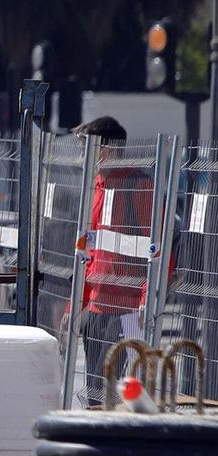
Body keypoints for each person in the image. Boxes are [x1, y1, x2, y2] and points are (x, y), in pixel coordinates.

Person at [74, 116, 154, 403]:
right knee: (95, 394)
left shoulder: (138, 186)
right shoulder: (95, 187)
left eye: (88, 147)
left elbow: (156, 250)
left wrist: (146, 300)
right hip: (96, 309)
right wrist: (77, 304)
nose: (84, 156)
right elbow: (88, 253)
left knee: (121, 394)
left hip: (128, 311)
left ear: (106, 149)